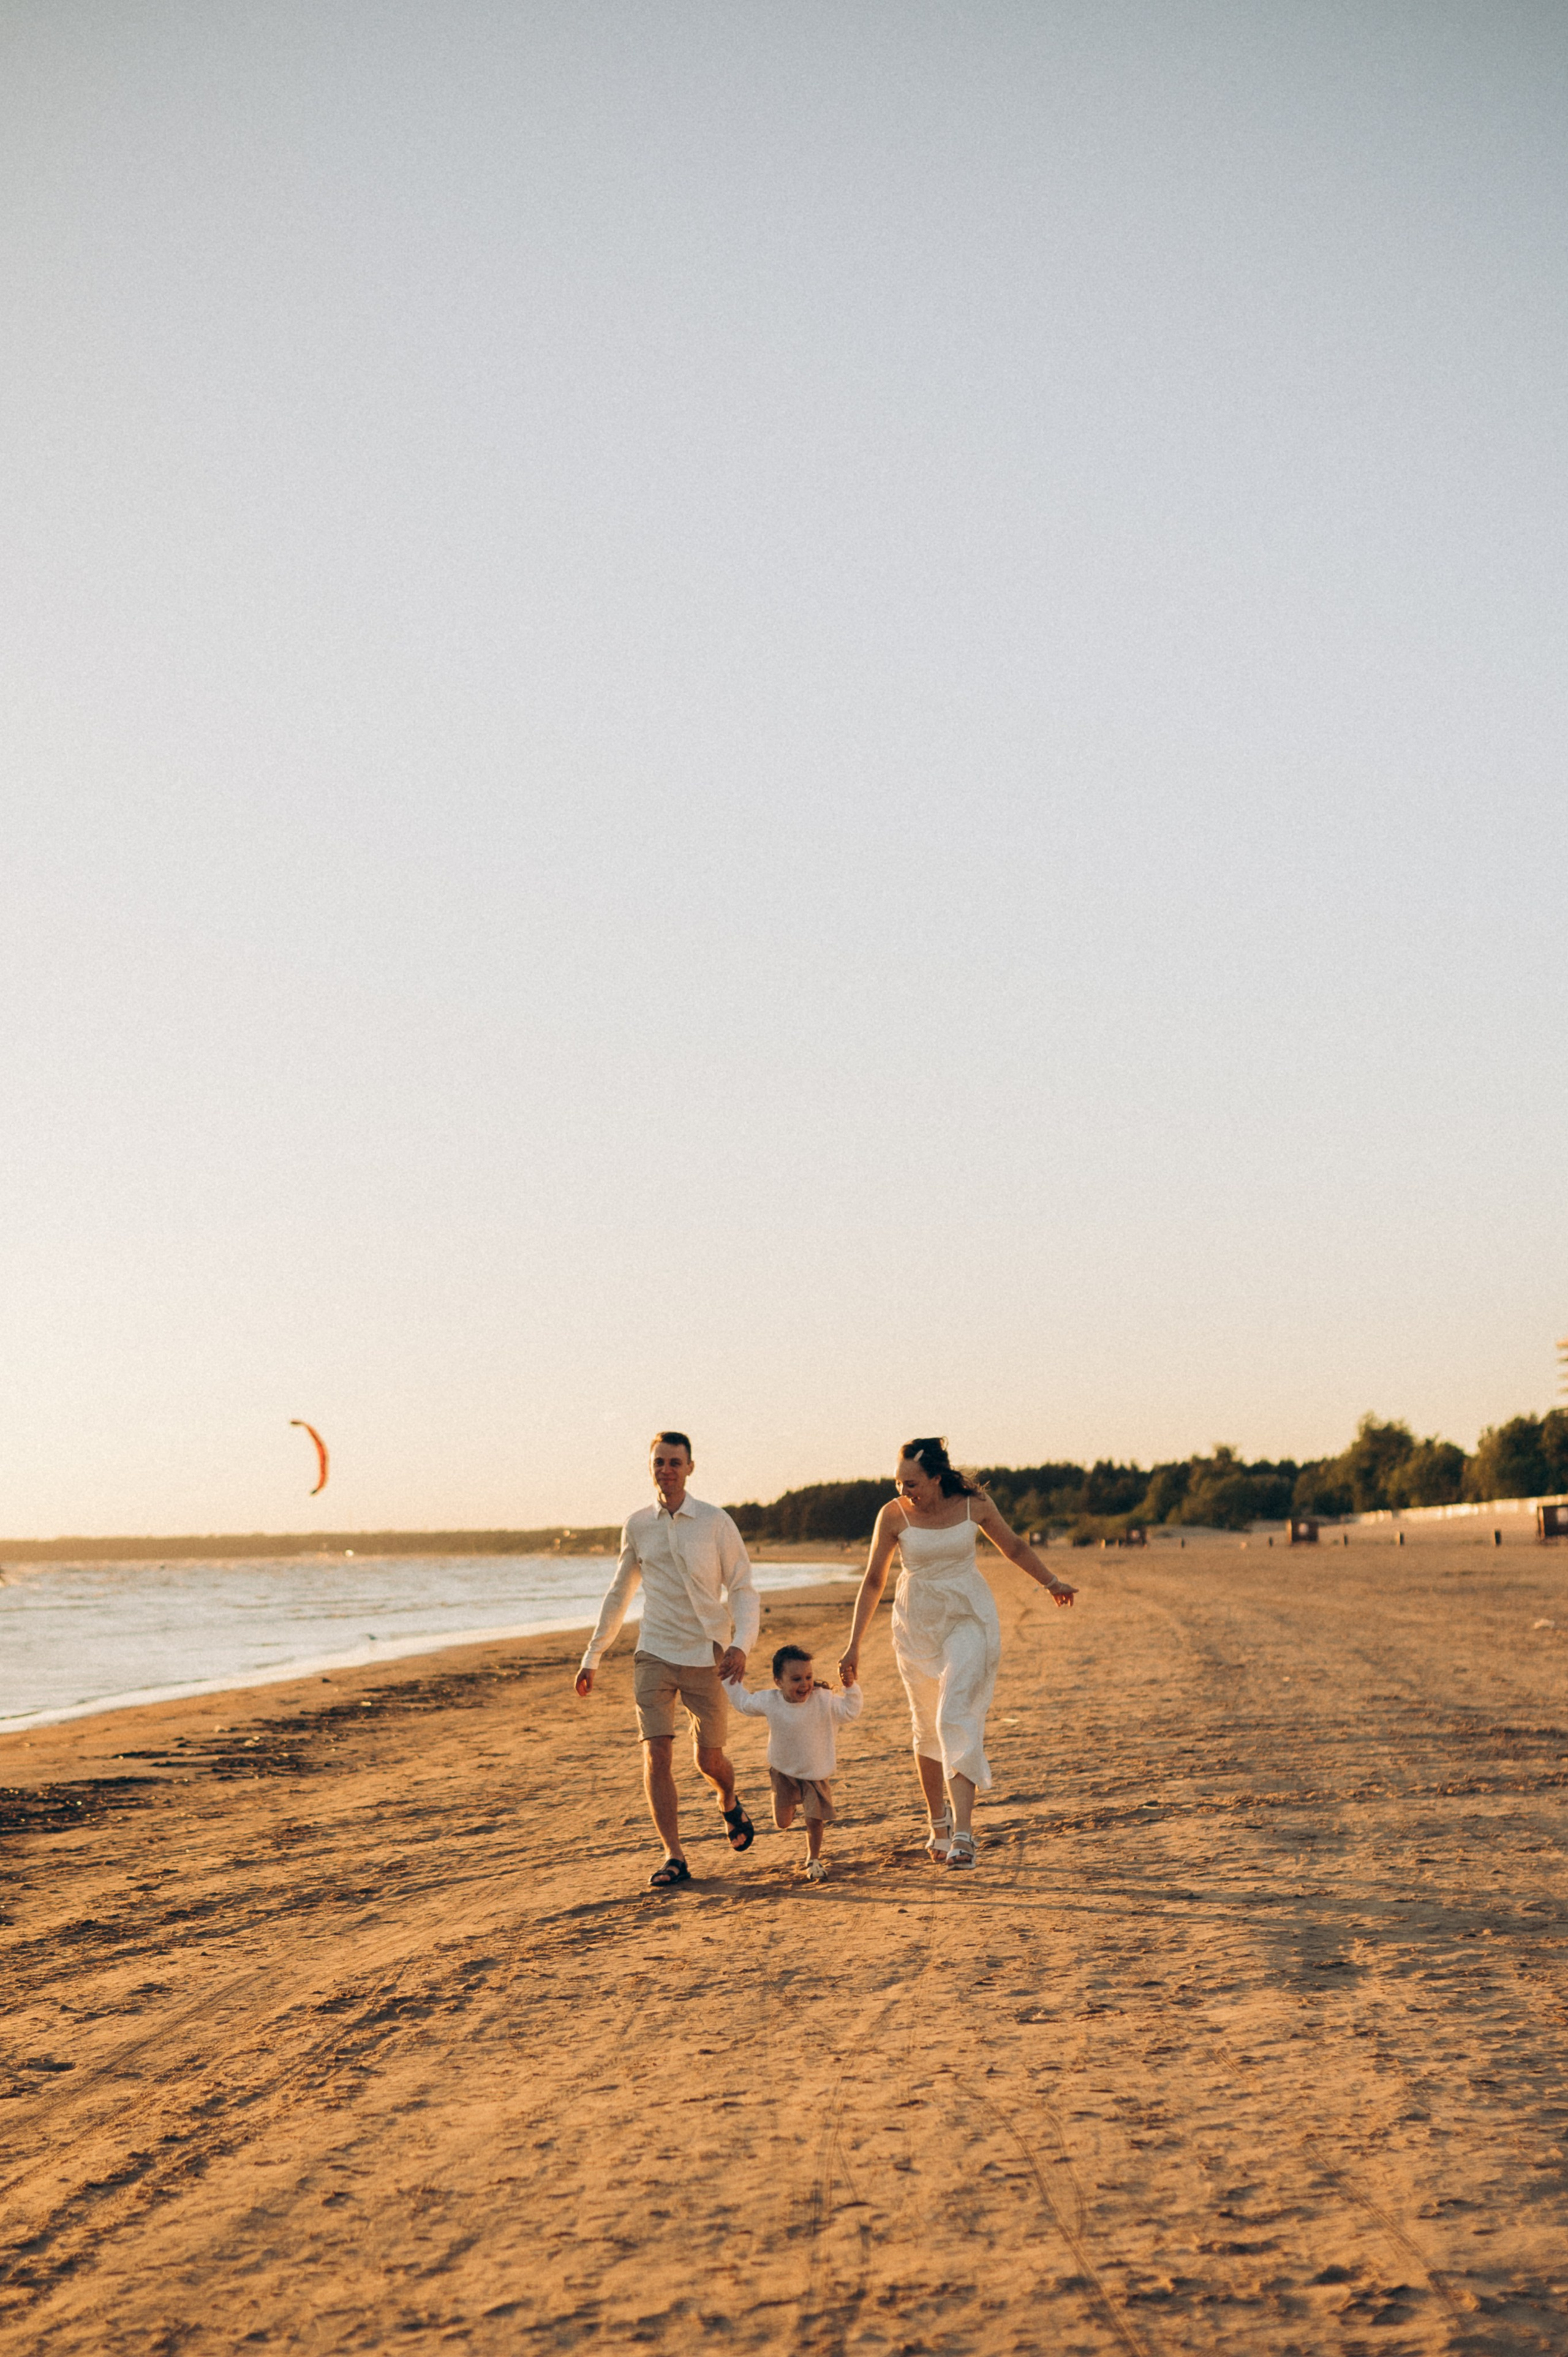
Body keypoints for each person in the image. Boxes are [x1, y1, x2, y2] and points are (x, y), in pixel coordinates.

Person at [838, 1436, 1075, 1869]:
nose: (904, 1491)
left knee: (955, 1714)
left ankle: (964, 1834)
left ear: (936, 1476)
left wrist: (1051, 1582)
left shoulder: (973, 1503)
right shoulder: (892, 1515)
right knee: (926, 1725)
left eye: (912, 1483)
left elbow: (1014, 1547)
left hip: (968, 1616)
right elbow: (874, 1581)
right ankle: (939, 1824)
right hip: (916, 1625)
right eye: (898, 1483)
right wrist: (853, 1645)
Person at [575, 1431, 760, 1888]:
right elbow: (621, 1591)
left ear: (690, 1468)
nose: (667, 1470)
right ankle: (673, 1855)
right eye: (659, 1462)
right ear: (651, 1467)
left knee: (709, 1760)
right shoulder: (638, 1525)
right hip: (654, 1651)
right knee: (657, 1753)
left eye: (675, 1462)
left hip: (707, 1656)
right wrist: (593, 1654)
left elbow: (742, 1587)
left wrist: (741, 1645)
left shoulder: (715, 1522)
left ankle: (729, 1801)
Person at [729, 1643, 863, 1881]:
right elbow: (743, 1704)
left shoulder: (824, 1699)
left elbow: (849, 1712)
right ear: (778, 1681)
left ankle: (814, 1860)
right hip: (783, 1771)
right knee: (782, 1823)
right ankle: (792, 1804)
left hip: (815, 1772)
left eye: (809, 1677)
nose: (805, 1684)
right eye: (796, 1679)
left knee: (814, 1820)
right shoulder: (770, 1701)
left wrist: (850, 1687)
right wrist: (729, 1677)